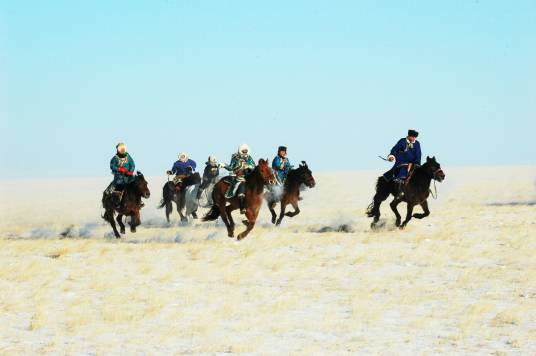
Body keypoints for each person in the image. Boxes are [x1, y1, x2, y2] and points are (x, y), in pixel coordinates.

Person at [384, 129, 422, 197]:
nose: (414, 138)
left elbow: (418, 154)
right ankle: (399, 191)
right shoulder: (402, 141)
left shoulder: (417, 143)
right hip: (402, 163)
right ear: (409, 136)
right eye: (412, 137)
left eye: (415, 137)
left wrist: (417, 163)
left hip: (413, 164)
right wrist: (391, 156)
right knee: (402, 174)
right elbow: (394, 149)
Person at [221, 144, 256, 214]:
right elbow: (231, 167)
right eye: (244, 151)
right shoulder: (235, 158)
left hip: (249, 176)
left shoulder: (249, 158)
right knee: (241, 185)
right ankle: (242, 207)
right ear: (240, 151)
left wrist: (250, 166)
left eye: (246, 151)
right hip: (239, 176)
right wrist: (224, 165)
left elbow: (254, 165)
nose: (245, 152)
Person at [104, 142, 136, 207]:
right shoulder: (115, 158)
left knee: (136, 185)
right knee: (117, 188)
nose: (122, 150)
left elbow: (132, 164)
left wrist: (131, 171)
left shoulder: (128, 156)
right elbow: (112, 166)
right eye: (121, 149)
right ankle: (116, 203)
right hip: (119, 176)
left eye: (123, 149)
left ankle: (138, 202)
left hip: (128, 176)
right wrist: (119, 169)